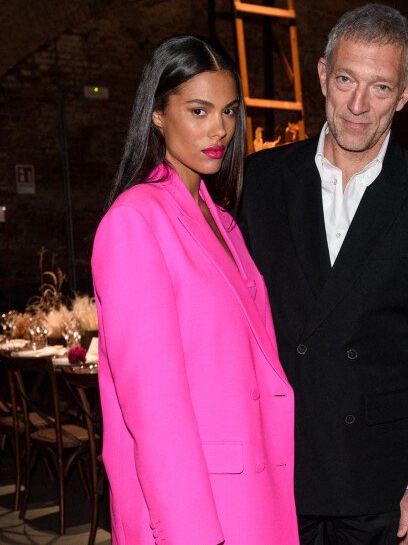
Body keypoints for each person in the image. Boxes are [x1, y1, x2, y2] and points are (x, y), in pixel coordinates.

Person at [238, 4, 408, 544]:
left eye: (381, 88)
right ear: (322, 74)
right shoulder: (260, 181)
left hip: (379, 477)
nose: (358, 106)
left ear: (407, 93)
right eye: (345, 80)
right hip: (275, 463)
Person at [91, 35, 299, 544]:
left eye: (229, 111)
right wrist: (188, 533)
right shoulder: (135, 221)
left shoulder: (222, 220)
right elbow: (154, 407)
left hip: (254, 491)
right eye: (199, 110)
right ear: (158, 114)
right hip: (198, 508)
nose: (220, 129)